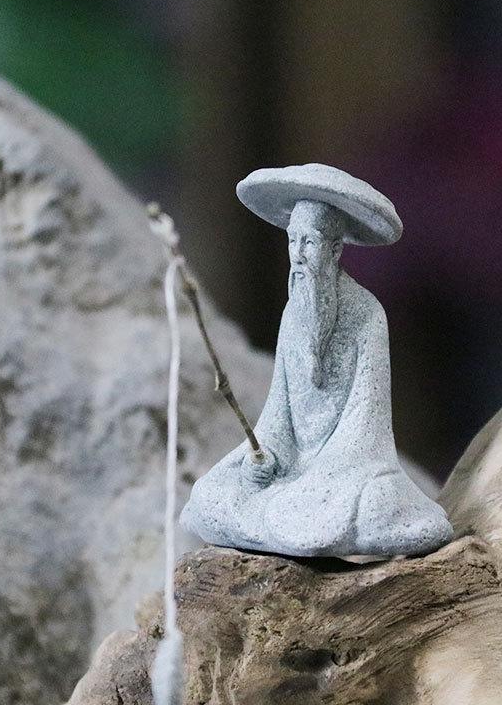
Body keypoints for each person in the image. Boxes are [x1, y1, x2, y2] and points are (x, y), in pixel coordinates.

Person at [180, 164, 453, 557]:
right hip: (294, 466)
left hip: (347, 466)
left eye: (309, 242)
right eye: (292, 241)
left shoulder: (367, 315)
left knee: (371, 503)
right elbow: (279, 412)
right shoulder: (293, 313)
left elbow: (366, 424)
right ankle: (285, 513)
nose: (298, 255)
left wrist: (321, 475)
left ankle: (302, 515)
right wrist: (266, 455)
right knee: (211, 493)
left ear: (335, 249)